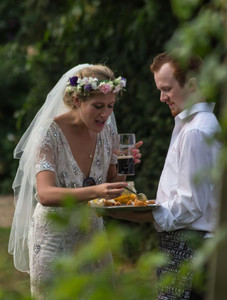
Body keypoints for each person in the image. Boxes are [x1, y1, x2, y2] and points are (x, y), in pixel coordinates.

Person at [8, 63, 143, 299]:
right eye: (98, 106)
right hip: (53, 241)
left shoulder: (108, 133)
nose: (105, 114)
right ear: (78, 101)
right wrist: (95, 191)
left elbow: (112, 184)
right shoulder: (49, 134)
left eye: (111, 106)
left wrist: (125, 164)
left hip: (92, 238)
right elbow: (46, 194)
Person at [107, 52, 221, 299]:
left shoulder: (196, 131)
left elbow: (189, 207)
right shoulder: (193, 125)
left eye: (167, 88)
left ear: (192, 84)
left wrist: (135, 213)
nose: (161, 97)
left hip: (190, 247)